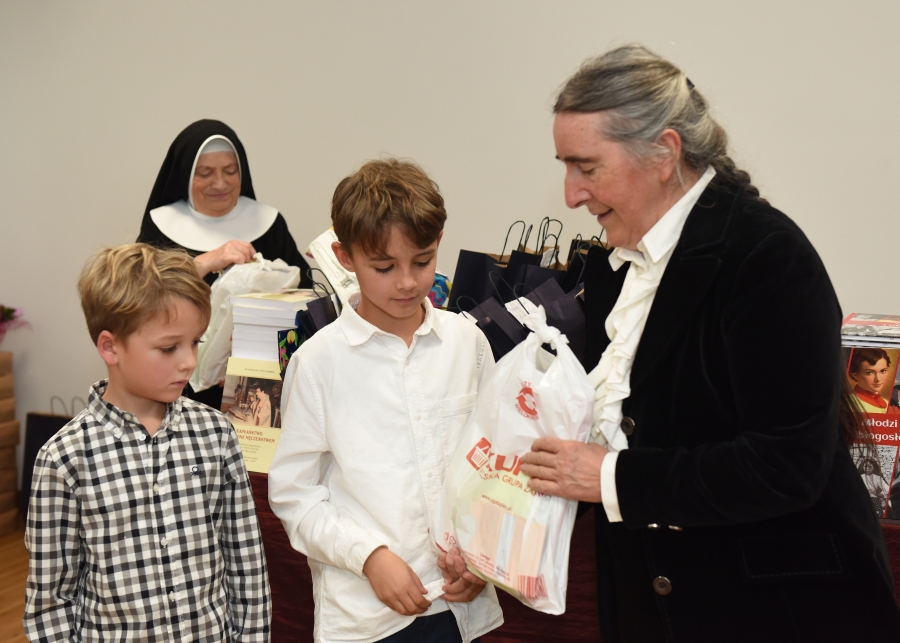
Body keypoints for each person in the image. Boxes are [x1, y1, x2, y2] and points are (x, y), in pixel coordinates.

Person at [517, 45, 900, 642]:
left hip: (777, 613)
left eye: (586, 167)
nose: (570, 194)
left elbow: (787, 465)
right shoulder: (617, 267)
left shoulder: (767, 256)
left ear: (665, 153)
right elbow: (625, 432)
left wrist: (614, 478)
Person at [267, 159, 502, 643]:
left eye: (422, 261)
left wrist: (483, 554)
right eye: (384, 267)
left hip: (459, 603)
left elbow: (494, 464)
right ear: (344, 256)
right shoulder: (318, 363)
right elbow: (294, 496)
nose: (407, 282)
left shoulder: (468, 344)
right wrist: (370, 557)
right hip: (366, 615)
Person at [24, 244, 270, 642]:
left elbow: (246, 565)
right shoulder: (64, 459)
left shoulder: (217, 433)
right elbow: (52, 601)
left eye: (195, 342)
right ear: (110, 347)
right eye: (169, 347)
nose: (189, 361)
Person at [139, 119, 313, 409]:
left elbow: (306, 303)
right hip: (175, 385)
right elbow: (138, 299)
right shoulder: (161, 225)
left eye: (230, 171)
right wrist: (205, 262)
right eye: (205, 173)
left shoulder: (268, 223)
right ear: (185, 175)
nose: (220, 183)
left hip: (256, 387)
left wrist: (253, 354)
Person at [848, 346, 900, 414]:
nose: (878, 379)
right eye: (869, 373)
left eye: (883, 371)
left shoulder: (887, 403)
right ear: (855, 375)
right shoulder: (850, 404)